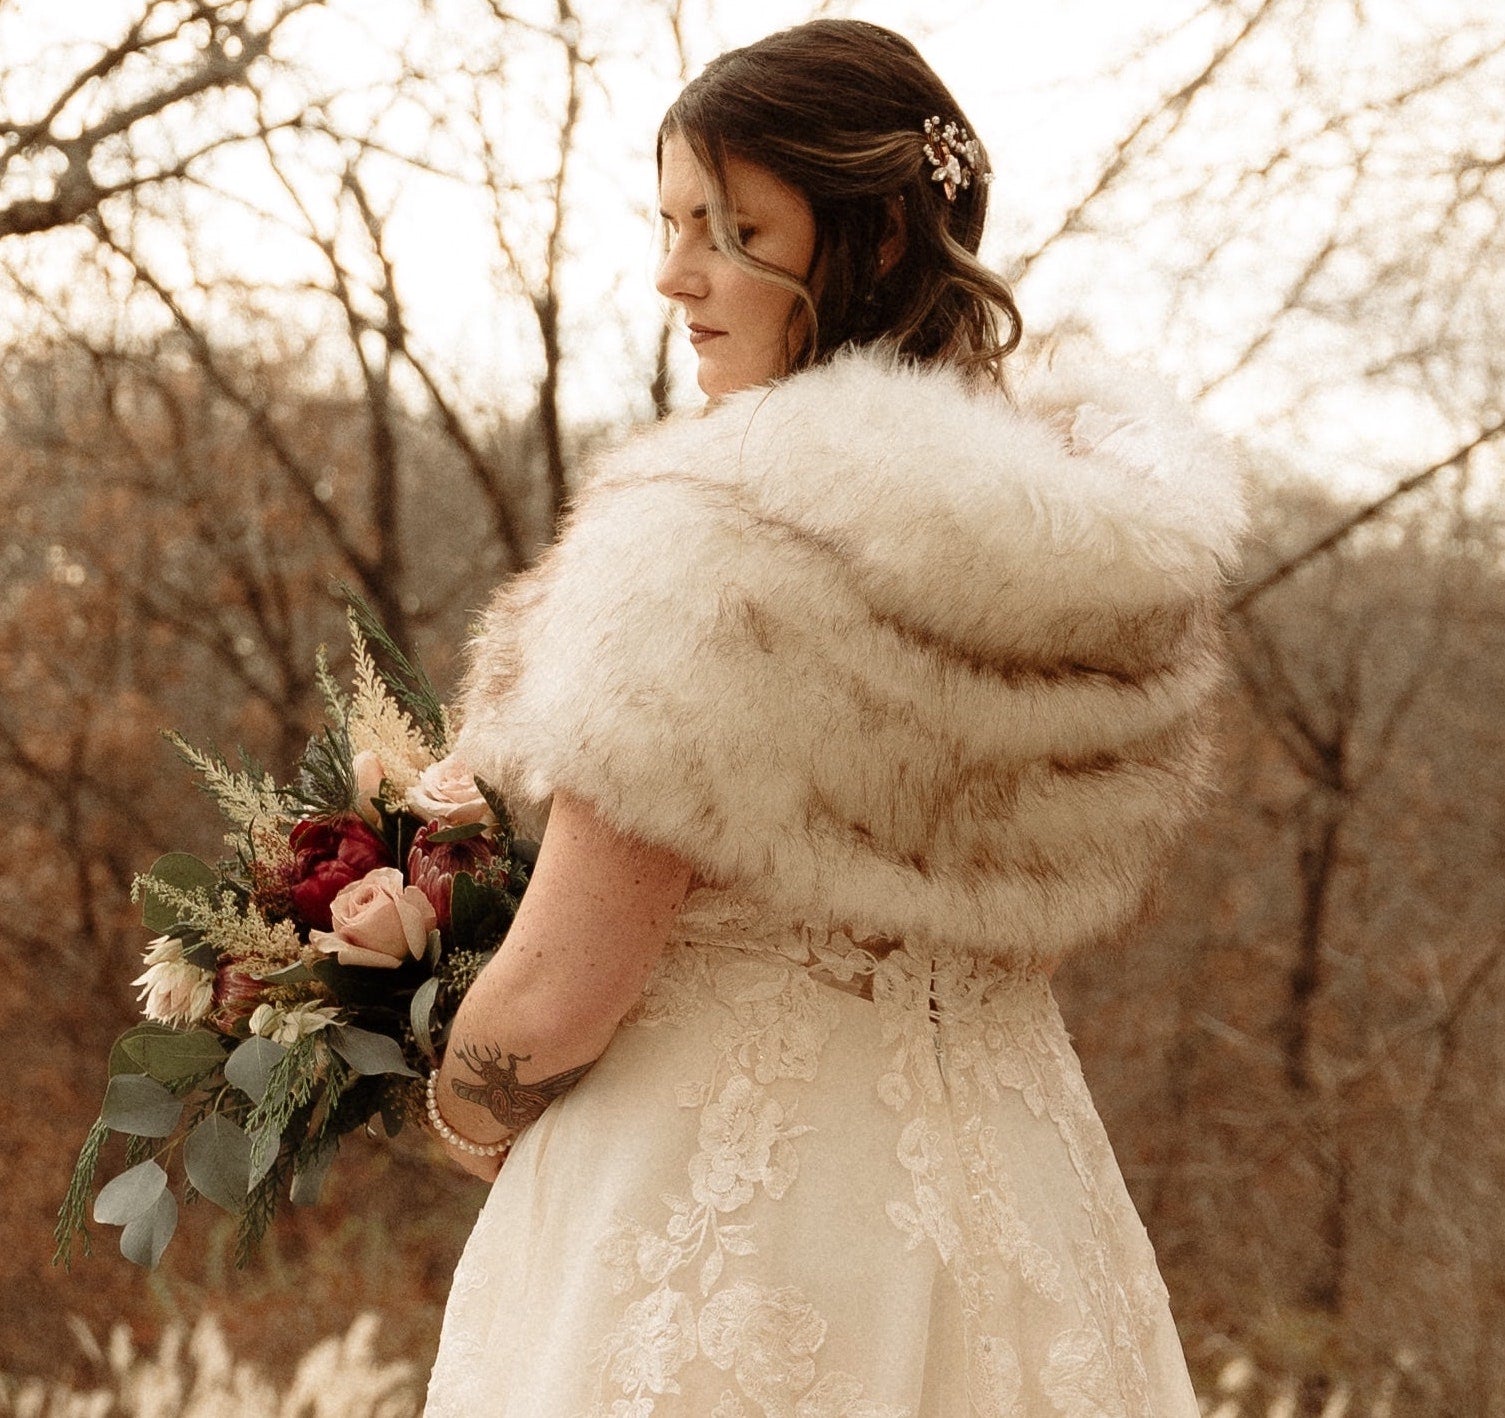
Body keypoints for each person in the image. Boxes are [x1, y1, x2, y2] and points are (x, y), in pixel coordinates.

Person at [422, 18, 1243, 1416]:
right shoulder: (1086, 564)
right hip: (1027, 1203)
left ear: (863, 243)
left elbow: (560, 992)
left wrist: (454, 1101)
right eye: (672, 219)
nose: (672, 273)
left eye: (730, 228)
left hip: (721, 1231)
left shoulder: (714, 539)